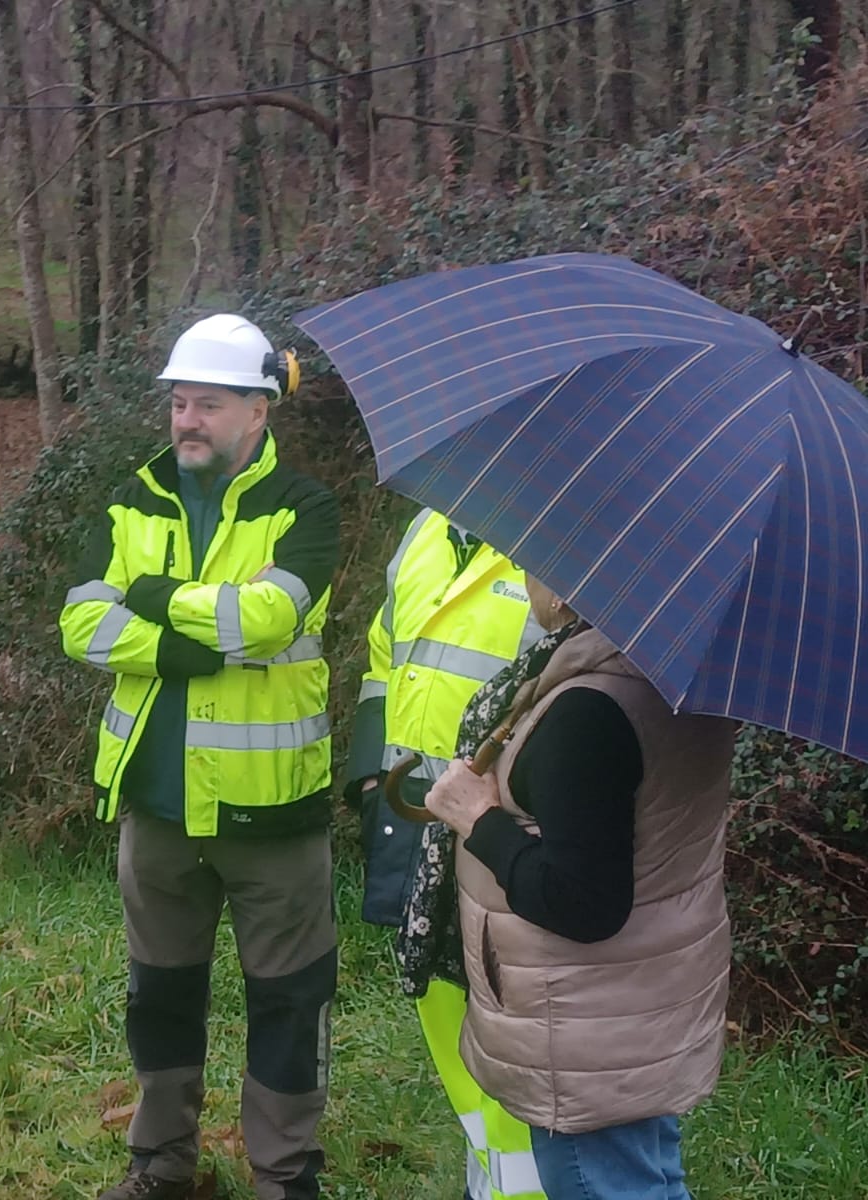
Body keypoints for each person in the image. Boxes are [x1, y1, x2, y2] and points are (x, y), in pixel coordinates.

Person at [60, 314, 342, 1200]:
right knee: (160, 996)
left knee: (290, 1003)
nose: (187, 420)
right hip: (156, 804)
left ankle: (284, 1177)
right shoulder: (130, 498)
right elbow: (80, 624)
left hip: (274, 812)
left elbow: (264, 621)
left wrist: (147, 598)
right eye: (179, 402)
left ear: (258, 412)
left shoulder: (306, 509)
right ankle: (161, 1167)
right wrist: (186, 636)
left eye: (208, 405)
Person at [420, 577, 738, 1200]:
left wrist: (477, 818)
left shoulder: (589, 711)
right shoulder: (670, 683)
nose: (523, 573)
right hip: (640, 1009)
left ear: (571, 590)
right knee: (648, 1179)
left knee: (603, 1185)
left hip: (581, 1026)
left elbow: (582, 901)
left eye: (534, 571)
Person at [343, 509, 545, 1200]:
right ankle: (486, 1173)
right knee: (437, 1001)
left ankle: (520, 1185)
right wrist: (372, 771)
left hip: (502, 830)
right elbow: (383, 654)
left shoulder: (556, 534)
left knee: (509, 1023)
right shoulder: (427, 526)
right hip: (412, 821)